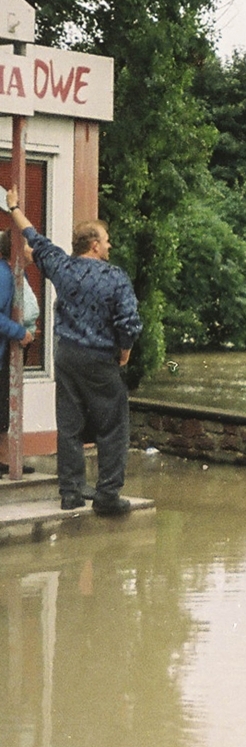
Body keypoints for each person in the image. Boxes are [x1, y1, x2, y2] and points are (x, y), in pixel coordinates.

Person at [4, 191, 142, 513]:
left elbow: (33, 237)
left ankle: (71, 492)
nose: (109, 246)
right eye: (106, 241)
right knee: (113, 426)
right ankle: (107, 495)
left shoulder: (62, 267)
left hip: (66, 355)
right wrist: (125, 350)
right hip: (100, 358)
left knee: (69, 424)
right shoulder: (115, 277)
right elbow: (129, 321)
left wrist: (14, 208)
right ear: (94, 245)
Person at [0, 229, 38, 474]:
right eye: (27, 245)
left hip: (9, 350)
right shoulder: (4, 276)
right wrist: (19, 332)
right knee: (3, 407)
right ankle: (6, 461)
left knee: (4, 408)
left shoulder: (14, 274)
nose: (31, 250)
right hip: (5, 350)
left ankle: (7, 459)